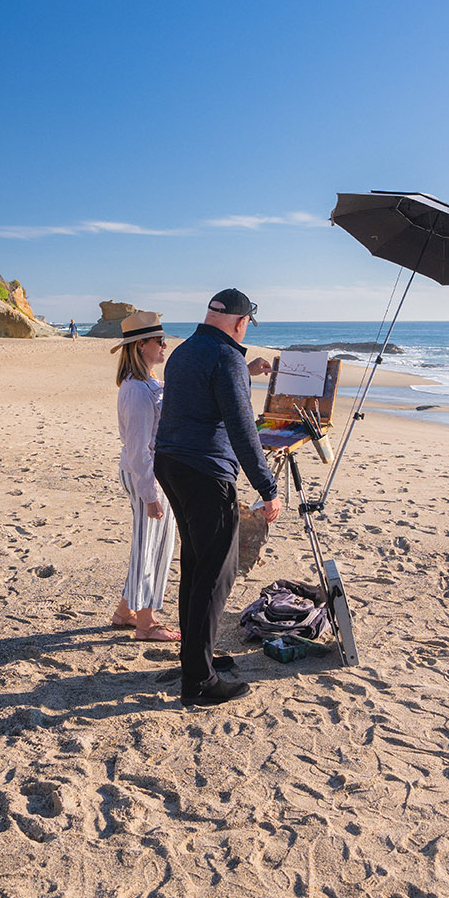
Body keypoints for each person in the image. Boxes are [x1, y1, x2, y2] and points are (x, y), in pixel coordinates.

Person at [153, 288, 280, 707]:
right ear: (242, 324)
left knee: (196, 564)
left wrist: (243, 370)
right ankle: (199, 682)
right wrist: (268, 488)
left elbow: (207, 393)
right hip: (205, 471)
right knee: (217, 573)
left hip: (171, 463)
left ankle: (196, 658)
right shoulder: (227, 359)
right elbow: (243, 430)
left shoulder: (187, 351)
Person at [108, 310, 179, 641]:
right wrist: (150, 496)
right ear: (140, 346)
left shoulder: (148, 383)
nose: (165, 346)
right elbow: (139, 451)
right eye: (159, 341)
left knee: (147, 544)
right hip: (145, 475)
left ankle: (125, 611)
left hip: (148, 474)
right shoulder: (137, 391)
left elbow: (176, 393)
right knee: (151, 546)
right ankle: (146, 624)